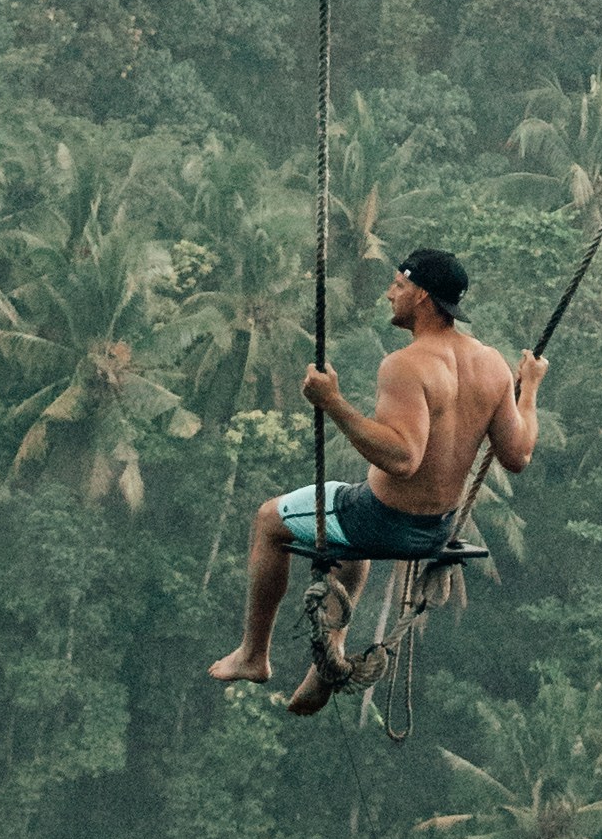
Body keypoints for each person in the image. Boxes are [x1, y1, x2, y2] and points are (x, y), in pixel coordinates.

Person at [210, 243, 542, 695]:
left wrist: (333, 404)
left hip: (381, 521)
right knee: (346, 512)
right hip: (437, 529)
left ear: (422, 296)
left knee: (271, 520)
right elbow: (517, 457)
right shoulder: (492, 364)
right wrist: (530, 389)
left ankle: (253, 654)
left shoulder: (406, 365)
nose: (390, 294)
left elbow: (403, 460)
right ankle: (331, 655)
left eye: (398, 284)